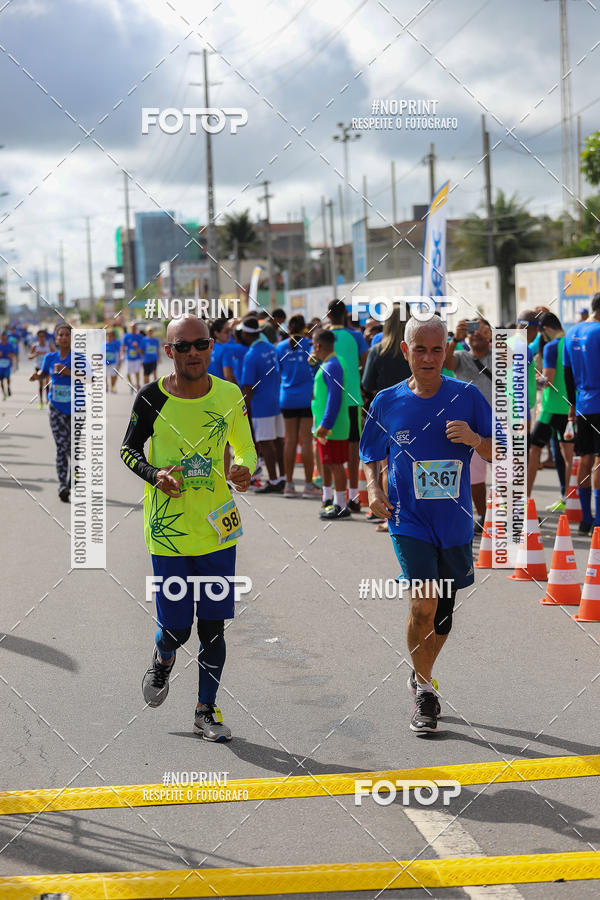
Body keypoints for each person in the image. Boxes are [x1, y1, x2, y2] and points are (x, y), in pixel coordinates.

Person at [120, 315, 256, 741]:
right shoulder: (150, 398)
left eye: (201, 344)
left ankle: (205, 710)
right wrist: (155, 473)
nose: (193, 353)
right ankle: (163, 659)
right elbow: (127, 450)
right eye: (183, 347)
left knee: (213, 625)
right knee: (177, 628)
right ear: (169, 352)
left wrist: (244, 469)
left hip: (218, 530)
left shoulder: (230, 395)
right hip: (169, 534)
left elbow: (247, 448)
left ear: (211, 347)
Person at [360, 315, 492, 734]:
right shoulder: (387, 400)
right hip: (409, 520)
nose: (429, 358)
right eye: (421, 349)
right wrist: (375, 491)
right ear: (406, 351)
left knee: (443, 616)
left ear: (446, 352)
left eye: (437, 350)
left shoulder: (468, 397)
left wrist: (474, 440)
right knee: (423, 605)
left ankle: (422, 671)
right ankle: (424, 690)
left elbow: (501, 451)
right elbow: (370, 452)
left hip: (454, 525)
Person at [443, 318, 493, 528]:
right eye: (471, 331)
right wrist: (455, 338)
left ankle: (508, 519)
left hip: (500, 424)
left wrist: (494, 336)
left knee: (507, 475)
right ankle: (483, 517)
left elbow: (518, 355)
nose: (475, 334)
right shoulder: (461, 357)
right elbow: (445, 362)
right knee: (475, 477)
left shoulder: (499, 357)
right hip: (471, 427)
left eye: (480, 330)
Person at [327, 299, 369, 513]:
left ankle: (331, 496)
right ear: (345, 314)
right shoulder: (356, 336)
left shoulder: (324, 337)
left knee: (327, 446)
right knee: (353, 447)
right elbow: (366, 361)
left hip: (328, 398)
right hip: (352, 397)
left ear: (328, 315)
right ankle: (353, 496)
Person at [563, 292, 600, 533]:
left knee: (585, 459)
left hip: (584, 403)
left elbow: (567, 374)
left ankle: (586, 519)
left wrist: (573, 405)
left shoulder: (572, 332)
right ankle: (598, 520)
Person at [527, 312, 573, 498]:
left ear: (545, 330)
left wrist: (534, 379)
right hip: (570, 407)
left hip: (550, 408)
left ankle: (524, 499)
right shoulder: (571, 342)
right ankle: (569, 500)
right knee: (569, 456)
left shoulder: (552, 346)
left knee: (534, 451)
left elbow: (548, 381)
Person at [30, 324, 76, 502]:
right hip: (56, 408)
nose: (64, 337)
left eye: (67, 335)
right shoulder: (50, 357)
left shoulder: (78, 358)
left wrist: (68, 372)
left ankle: (73, 482)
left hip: (75, 410)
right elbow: (43, 373)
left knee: (74, 449)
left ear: (72, 338)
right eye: (60, 335)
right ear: (56, 339)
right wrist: (37, 376)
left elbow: (90, 378)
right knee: (61, 447)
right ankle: (63, 485)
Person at [276, 314, 319, 498]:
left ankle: (288, 484)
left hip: (287, 398)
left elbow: (279, 371)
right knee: (307, 442)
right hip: (306, 398)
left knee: (290, 441)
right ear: (304, 328)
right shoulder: (310, 346)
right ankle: (309, 486)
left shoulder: (279, 347)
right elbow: (317, 369)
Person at [240, 316, 285, 493]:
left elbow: (248, 386)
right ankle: (282, 478)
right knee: (279, 442)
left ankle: (273, 481)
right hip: (277, 400)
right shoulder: (271, 348)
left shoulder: (251, 355)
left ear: (245, 333)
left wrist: (245, 408)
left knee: (266, 443)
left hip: (261, 405)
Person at [311, 328, 351, 520]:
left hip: (332, 426)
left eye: (313, 344)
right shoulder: (331, 363)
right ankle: (334, 502)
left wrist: (326, 423)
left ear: (317, 346)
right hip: (328, 424)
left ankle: (341, 505)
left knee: (336, 465)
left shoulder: (332, 365)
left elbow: (334, 398)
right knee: (329, 463)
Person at [361, 307, 411, 399]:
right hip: (411, 402)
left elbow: (367, 384)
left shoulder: (376, 351)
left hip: (386, 403)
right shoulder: (414, 350)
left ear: (387, 324)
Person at [28, 328, 53, 407]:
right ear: (38, 337)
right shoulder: (35, 346)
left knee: (47, 383)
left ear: (45, 337)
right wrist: (35, 354)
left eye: (43, 336)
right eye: (40, 336)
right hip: (38, 367)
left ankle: (48, 401)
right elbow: (29, 356)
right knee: (41, 384)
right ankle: (41, 401)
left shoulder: (49, 345)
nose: (42, 338)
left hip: (47, 367)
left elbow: (55, 354)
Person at [121, 323, 144, 391]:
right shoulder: (126, 336)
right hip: (129, 358)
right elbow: (123, 346)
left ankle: (137, 384)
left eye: (134, 327)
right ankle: (131, 384)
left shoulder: (139, 336)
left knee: (137, 372)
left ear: (136, 328)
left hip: (137, 358)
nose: (133, 328)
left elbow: (142, 347)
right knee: (127, 373)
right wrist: (122, 354)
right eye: (132, 327)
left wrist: (137, 347)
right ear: (130, 328)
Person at [0, 330, 16, 399]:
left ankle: (8, 387)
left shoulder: (9, 345)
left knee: (8, 378)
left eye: (4, 336)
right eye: (2, 336)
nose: (3, 337)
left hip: (7, 364)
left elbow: (13, 354)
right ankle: (4, 393)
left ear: (6, 337)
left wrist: (11, 356)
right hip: (0, 365)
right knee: (1, 380)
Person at [105, 328, 121, 393]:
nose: (109, 337)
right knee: (105, 375)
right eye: (108, 335)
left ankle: (112, 387)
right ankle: (106, 386)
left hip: (113, 363)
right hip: (105, 363)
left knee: (113, 376)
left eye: (111, 335)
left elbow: (118, 354)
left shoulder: (116, 343)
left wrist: (119, 363)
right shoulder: (104, 344)